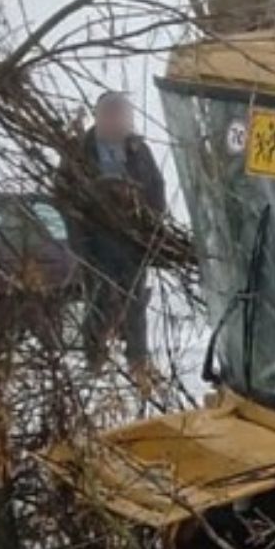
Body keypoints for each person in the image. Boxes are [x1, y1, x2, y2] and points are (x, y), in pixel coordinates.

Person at [58, 90, 166, 372]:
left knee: (135, 300)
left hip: (131, 240)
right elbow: (62, 193)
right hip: (95, 239)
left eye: (124, 116)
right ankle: (94, 359)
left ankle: (137, 360)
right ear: (100, 116)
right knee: (98, 298)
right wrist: (80, 228)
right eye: (113, 115)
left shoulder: (138, 150)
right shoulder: (79, 151)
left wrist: (152, 226)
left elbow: (156, 188)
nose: (119, 122)